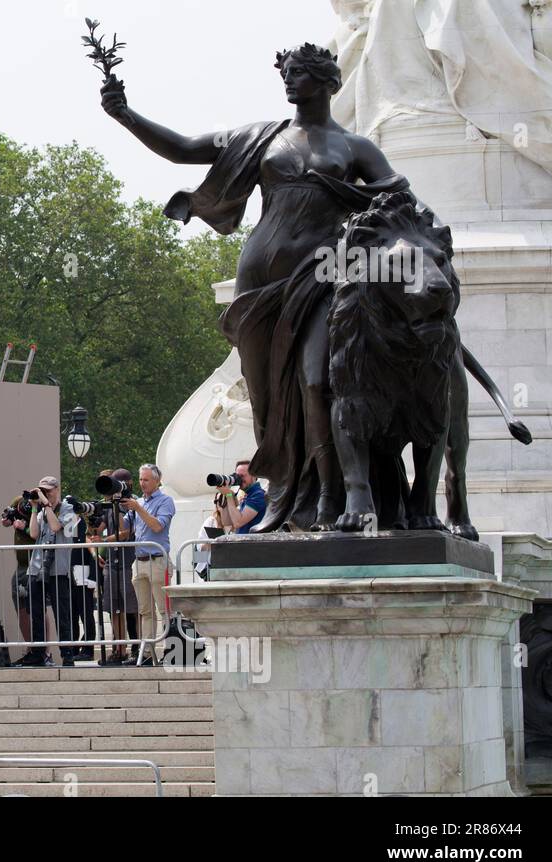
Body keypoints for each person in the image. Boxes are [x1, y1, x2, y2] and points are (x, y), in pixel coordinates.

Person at [101, 45, 412, 532]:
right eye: (286, 74)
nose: (289, 82)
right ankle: (285, 496)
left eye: (300, 75)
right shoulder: (261, 137)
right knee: (265, 397)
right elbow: (184, 148)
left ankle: (331, 495)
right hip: (257, 284)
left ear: (328, 83)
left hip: (320, 277)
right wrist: (126, 116)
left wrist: (352, 198)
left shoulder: (354, 148)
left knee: (316, 381)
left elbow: (400, 198)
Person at [120, 464, 177, 665]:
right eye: (141, 479)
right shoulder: (138, 502)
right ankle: (147, 655)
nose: (142, 484)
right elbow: (123, 528)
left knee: (165, 610)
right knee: (145, 612)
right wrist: (116, 506)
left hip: (158, 561)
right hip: (140, 562)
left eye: (146, 480)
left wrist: (138, 508)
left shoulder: (166, 501)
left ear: (157, 481)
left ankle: (172, 652)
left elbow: (157, 525)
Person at [22, 477, 80, 667]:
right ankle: (38, 653)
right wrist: (33, 507)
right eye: (43, 491)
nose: (46, 494)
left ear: (57, 489)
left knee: (61, 614)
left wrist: (46, 505)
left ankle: (67, 654)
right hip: (37, 567)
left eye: (49, 490)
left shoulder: (69, 510)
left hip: (58, 569)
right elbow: (33, 534)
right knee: (36, 613)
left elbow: (56, 527)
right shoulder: (41, 510)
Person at [95, 470, 140, 663]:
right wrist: (97, 551)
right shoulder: (110, 504)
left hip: (129, 560)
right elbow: (96, 531)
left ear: (128, 483)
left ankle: (138, 647)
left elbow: (126, 532)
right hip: (112, 561)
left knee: (132, 608)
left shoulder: (134, 503)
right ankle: (119, 649)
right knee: (114, 607)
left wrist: (105, 540)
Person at [1, 496, 35, 651]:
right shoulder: (19, 501)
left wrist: (24, 527)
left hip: (36, 563)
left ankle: (43, 651)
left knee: (37, 607)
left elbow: (38, 532)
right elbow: (6, 520)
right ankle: (30, 648)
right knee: (21, 606)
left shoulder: (41, 506)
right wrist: (9, 520)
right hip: (21, 565)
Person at [216, 459, 267, 534]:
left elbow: (238, 523)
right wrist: (228, 494)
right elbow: (227, 522)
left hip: (253, 544)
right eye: (237, 476)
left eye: (242, 476)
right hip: (243, 544)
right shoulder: (247, 495)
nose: (239, 479)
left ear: (253, 476)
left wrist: (229, 495)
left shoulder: (258, 495)